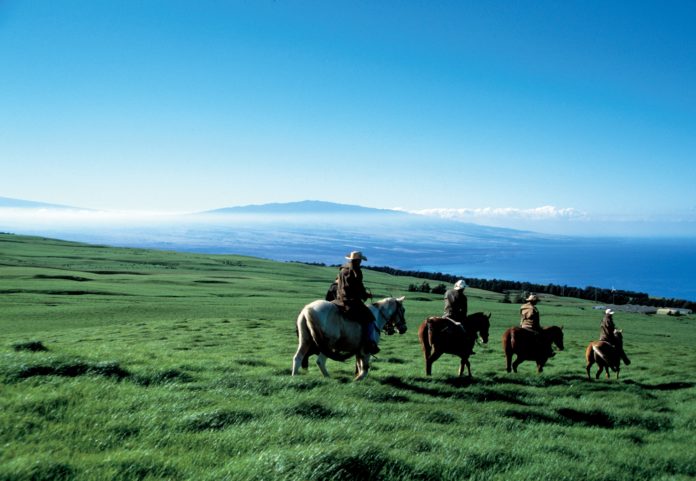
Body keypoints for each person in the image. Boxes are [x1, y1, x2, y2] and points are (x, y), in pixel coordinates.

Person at [332, 251, 379, 354]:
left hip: (339, 299)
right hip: (351, 302)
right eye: (360, 260)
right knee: (370, 319)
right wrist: (366, 295)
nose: (361, 262)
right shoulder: (356, 271)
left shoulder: (343, 269)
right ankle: (369, 343)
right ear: (358, 261)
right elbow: (359, 287)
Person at [519, 293, 555, 358]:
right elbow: (536, 321)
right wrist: (539, 327)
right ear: (533, 301)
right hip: (531, 327)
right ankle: (547, 352)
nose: (536, 302)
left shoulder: (522, 307)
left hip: (523, 326)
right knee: (543, 337)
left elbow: (521, 316)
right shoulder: (534, 309)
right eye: (536, 301)